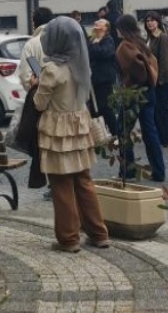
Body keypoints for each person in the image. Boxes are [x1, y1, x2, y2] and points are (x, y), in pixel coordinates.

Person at [33, 15, 111, 253]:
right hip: (80, 126)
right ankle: (99, 233)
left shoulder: (51, 69)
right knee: (84, 180)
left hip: (58, 129)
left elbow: (39, 104)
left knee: (61, 183)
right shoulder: (81, 65)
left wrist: (35, 84)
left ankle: (69, 238)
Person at [114, 14, 166, 182]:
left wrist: (131, 81)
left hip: (133, 93)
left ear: (122, 29)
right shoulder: (141, 42)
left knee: (123, 130)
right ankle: (159, 171)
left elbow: (136, 68)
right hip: (149, 91)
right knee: (150, 131)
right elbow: (153, 61)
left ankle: (128, 170)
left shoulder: (125, 46)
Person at [17, 7, 55, 197]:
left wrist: (34, 83)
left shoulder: (32, 44)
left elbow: (27, 74)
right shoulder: (61, 41)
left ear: (34, 23)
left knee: (42, 141)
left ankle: (52, 183)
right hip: (63, 100)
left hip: (40, 99)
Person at [144, 11, 168, 148]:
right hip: (152, 79)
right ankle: (159, 137)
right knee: (156, 110)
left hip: (162, 80)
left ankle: (165, 138)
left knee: (162, 110)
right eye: (147, 21)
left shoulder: (162, 38)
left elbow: (166, 60)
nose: (150, 23)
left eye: (153, 20)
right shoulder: (149, 38)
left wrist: (158, 78)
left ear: (158, 22)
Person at [86, 18, 120, 137]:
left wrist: (96, 43)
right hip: (94, 79)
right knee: (95, 107)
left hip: (104, 79)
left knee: (105, 106)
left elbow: (102, 53)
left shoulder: (108, 40)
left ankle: (115, 132)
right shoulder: (92, 39)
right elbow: (89, 54)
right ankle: (100, 134)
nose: (97, 23)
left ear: (105, 28)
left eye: (100, 22)